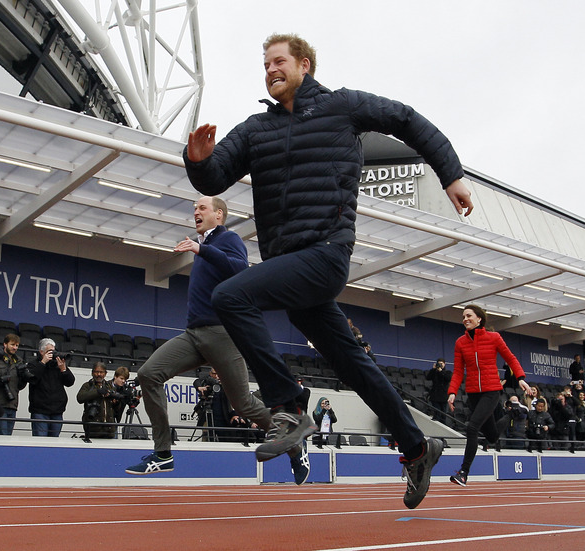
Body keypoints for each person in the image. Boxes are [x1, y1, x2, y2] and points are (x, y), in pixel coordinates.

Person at [183, 32, 466, 509]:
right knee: (354, 364)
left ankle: (289, 405)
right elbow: (215, 177)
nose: (270, 69)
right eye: (265, 64)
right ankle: (418, 446)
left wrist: (450, 173)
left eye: (278, 61)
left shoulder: (342, 106)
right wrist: (196, 158)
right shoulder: (256, 129)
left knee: (230, 296)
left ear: (304, 65)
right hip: (290, 265)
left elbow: (405, 119)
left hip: (326, 253)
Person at [126, 196, 308, 484]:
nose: (195, 211)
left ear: (219, 215)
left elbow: (240, 270)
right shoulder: (206, 247)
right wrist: (202, 249)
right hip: (193, 334)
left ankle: (295, 442)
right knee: (149, 374)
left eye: (202, 208)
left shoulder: (228, 239)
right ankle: (163, 454)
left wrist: (201, 249)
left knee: (244, 405)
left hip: (223, 334)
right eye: (194, 208)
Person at [447, 304, 530, 486]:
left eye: (469, 315)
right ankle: (512, 413)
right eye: (463, 317)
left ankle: (463, 473)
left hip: (491, 391)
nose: (465, 319)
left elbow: (510, 358)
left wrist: (521, 378)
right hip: (473, 394)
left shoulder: (494, 338)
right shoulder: (460, 342)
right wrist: (452, 392)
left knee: (472, 428)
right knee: (491, 436)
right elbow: (459, 371)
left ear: (479, 318)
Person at [24, 338, 75, 437]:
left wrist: (63, 369)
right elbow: (32, 378)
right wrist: (43, 363)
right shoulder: (33, 364)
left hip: (57, 411)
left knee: (54, 442)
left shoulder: (57, 365)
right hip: (40, 411)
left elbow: (70, 382)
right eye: (49, 352)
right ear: (41, 352)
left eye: (54, 351)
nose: (52, 354)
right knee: (41, 442)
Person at [77, 362, 121, 439]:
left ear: (105, 373)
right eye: (96, 372)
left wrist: (116, 401)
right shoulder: (87, 385)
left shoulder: (110, 386)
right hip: (93, 430)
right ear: (92, 373)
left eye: (101, 372)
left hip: (109, 430)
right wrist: (97, 392)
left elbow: (116, 409)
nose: (99, 374)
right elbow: (80, 398)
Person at [425, 359, 451, 424]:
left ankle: (443, 424)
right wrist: (433, 369)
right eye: (439, 364)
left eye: (441, 364)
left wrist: (441, 371)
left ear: (444, 364)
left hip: (443, 396)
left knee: (443, 413)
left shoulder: (447, 372)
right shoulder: (434, 372)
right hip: (435, 395)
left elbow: (448, 379)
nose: (440, 365)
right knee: (437, 411)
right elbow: (428, 377)